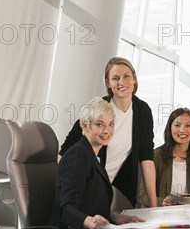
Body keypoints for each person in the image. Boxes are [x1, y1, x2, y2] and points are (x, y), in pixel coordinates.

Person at [60, 57, 157, 210]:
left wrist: (154, 208)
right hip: (88, 190)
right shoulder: (98, 109)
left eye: (126, 76)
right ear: (107, 83)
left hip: (118, 192)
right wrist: (65, 195)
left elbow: (147, 161)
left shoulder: (142, 111)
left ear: (134, 79)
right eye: (115, 78)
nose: (121, 82)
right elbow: (64, 154)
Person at [51, 98, 143, 229]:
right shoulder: (77, 156)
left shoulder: (94, 155)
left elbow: (90, 203)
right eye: (100, 124)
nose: (107, 131)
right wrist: (89, 222)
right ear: (85, 126)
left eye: (111, 124)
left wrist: (114, 217)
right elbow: (66, 208)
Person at [139, 108, 190, 207]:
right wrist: (161, 201)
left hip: (188, 217)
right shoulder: (156, 156)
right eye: (177, 125)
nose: (182, 130)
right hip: (160, 216)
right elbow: (143, 196)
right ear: (170, 129)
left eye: (187, 125)